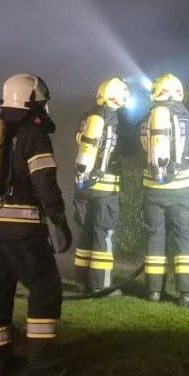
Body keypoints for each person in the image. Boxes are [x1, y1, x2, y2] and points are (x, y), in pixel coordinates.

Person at [0, 73, 72, 376]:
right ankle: (41, 360)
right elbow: (44, 182)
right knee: (45, 288)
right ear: (31, 101)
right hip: (22, 229)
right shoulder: (33, 134)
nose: (44, 108)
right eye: (41, 103)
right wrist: (58, 220)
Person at [140, 73, 189, 306]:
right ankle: (188, 294)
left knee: (154, 237)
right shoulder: (187, 120)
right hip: (181, 190)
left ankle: (153, 291)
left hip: (152, 189)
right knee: (185, 238)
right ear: (179, 92)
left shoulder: (145, 120)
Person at [73, 77, 130, 294]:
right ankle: (101, 285)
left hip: (82, 185)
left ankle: (82, 279)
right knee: (103, 233)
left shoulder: (87, 116)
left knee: (85, 231)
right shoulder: (116, 121)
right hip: (105, 188)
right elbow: (127, 147)